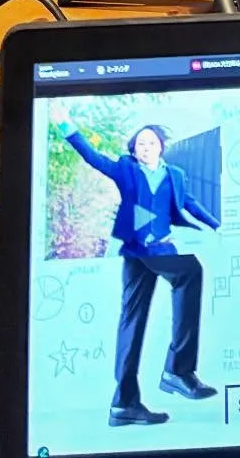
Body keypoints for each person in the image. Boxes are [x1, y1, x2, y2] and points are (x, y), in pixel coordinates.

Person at [55, 117, 221, 427]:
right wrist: (67, 127)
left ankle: (125, 404)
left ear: (161, 147)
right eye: (140, 143)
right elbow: (93, 157)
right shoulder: (126, 169)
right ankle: (173, 373)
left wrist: (215, 224)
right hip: (137, 249)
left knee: (136, 315)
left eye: (151, 142)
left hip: (162, 248)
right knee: (187, 275)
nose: (146, 147)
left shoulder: (174, 175)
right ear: (134, 150)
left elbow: (189, 203)